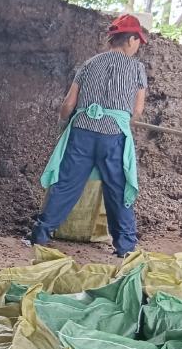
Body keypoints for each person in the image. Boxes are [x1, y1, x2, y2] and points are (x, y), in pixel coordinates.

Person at [30, 13, 148, 257]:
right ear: (131, 40)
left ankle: (39, 235)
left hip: (82, 131)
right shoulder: (137, 69)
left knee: (66, 185)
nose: (138, 47)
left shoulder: (89, 64)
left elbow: (68, 105)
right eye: (138, 42)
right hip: (113, 136)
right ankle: (125, 248)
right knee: (117, 189)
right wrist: (123, 119)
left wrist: (64, 124)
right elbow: (137, 111)